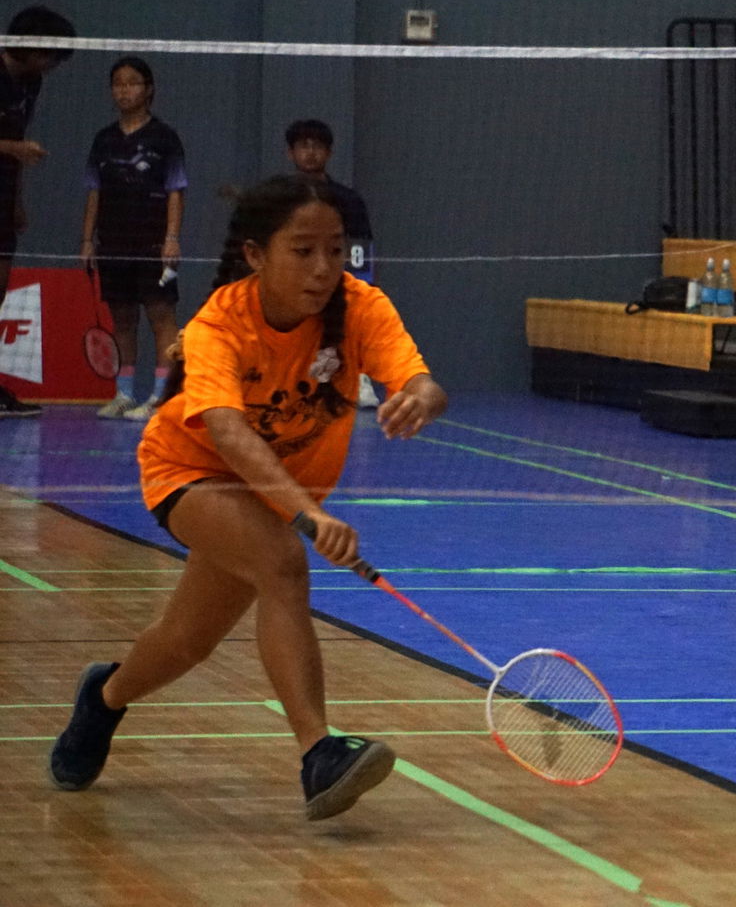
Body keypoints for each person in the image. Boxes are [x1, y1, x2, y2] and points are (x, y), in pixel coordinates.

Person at [47, 175, 447, 821]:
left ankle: (106, 695)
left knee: (187, 640)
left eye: (334, 249)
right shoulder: (218, 326)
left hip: (277, 490)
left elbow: (421, 380)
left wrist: (422, 398)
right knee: (283, 563)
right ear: (257, 255)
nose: (323, 268)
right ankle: (319, 752)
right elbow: (229, 437)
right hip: (190, 471)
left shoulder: (360, 305)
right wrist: (307, 514)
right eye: (303, 250)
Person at [80, 57, 187, 420]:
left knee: (161, 317)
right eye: (118, 83)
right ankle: (124, 393)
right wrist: (87, 240)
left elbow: (176, 190)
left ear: (149, 89)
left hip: (152, 241)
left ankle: (160, 397)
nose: (124, 90)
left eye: (133, 82)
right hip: (113, 240)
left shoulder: (165, 137)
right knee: (122, 320)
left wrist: (172, 237)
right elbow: (94, 191)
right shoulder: (104, 139)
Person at [0, 5, 75, 418]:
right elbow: (15, 145)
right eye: (52, 54)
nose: (54, 65)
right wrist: (14, 150)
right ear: (33, 45)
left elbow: (18, 138)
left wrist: (17, 199)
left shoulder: (30, 82)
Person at [286, 119, 378, 408]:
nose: (311, 153)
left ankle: (359, 378)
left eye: (318, 147)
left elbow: (360, 246)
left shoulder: (348, 200)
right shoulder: (280, 198)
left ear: (329, 153)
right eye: (303, 146)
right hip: (291, 280)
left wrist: (360, 284)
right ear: (291, 153)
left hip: (336, 279)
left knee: (353, 317)